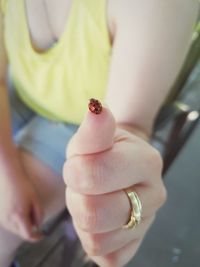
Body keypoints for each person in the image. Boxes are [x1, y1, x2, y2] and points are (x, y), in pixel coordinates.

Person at [0, 0, 198, 266]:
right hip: (19, 87)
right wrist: (7, 172)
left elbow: (127, 129)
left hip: (78, 129)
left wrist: (124, 200)